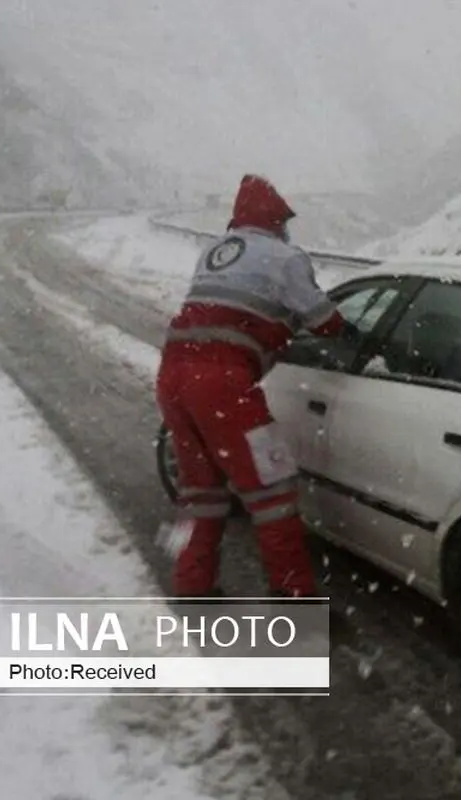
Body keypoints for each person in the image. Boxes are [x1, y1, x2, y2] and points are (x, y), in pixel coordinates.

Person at [156, 174, 347, 598]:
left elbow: (229, 305)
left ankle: (192, 588)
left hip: (172, 376)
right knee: (273, 489)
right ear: (276, 219)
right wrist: (349, 334)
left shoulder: (214, 250)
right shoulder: (286, 257)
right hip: (224, 385)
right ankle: (294, 601)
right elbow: (324, 319)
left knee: (201, 493)